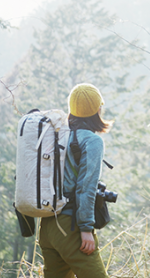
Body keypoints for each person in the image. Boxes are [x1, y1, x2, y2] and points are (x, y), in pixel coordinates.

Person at [39, 83, 111, 278]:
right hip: (70, 227)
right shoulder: (92, 141)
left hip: (47, 227)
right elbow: (86, 188)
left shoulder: (56, 135)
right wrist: (86, 228)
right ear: (97, 110)